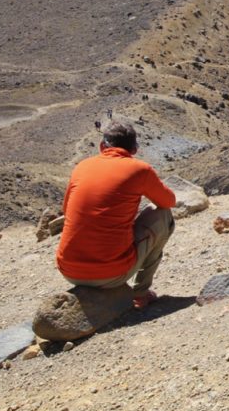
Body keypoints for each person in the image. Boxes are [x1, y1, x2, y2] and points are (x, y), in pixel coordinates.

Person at [55, 122, 176, 309]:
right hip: (111, 274)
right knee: (162, 215)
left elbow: (66, 210)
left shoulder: (82, 166)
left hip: (69, 271)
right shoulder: (139, 169)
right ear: (134, 149)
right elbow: (168, 202)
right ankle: (140, 294)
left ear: (102, 146)